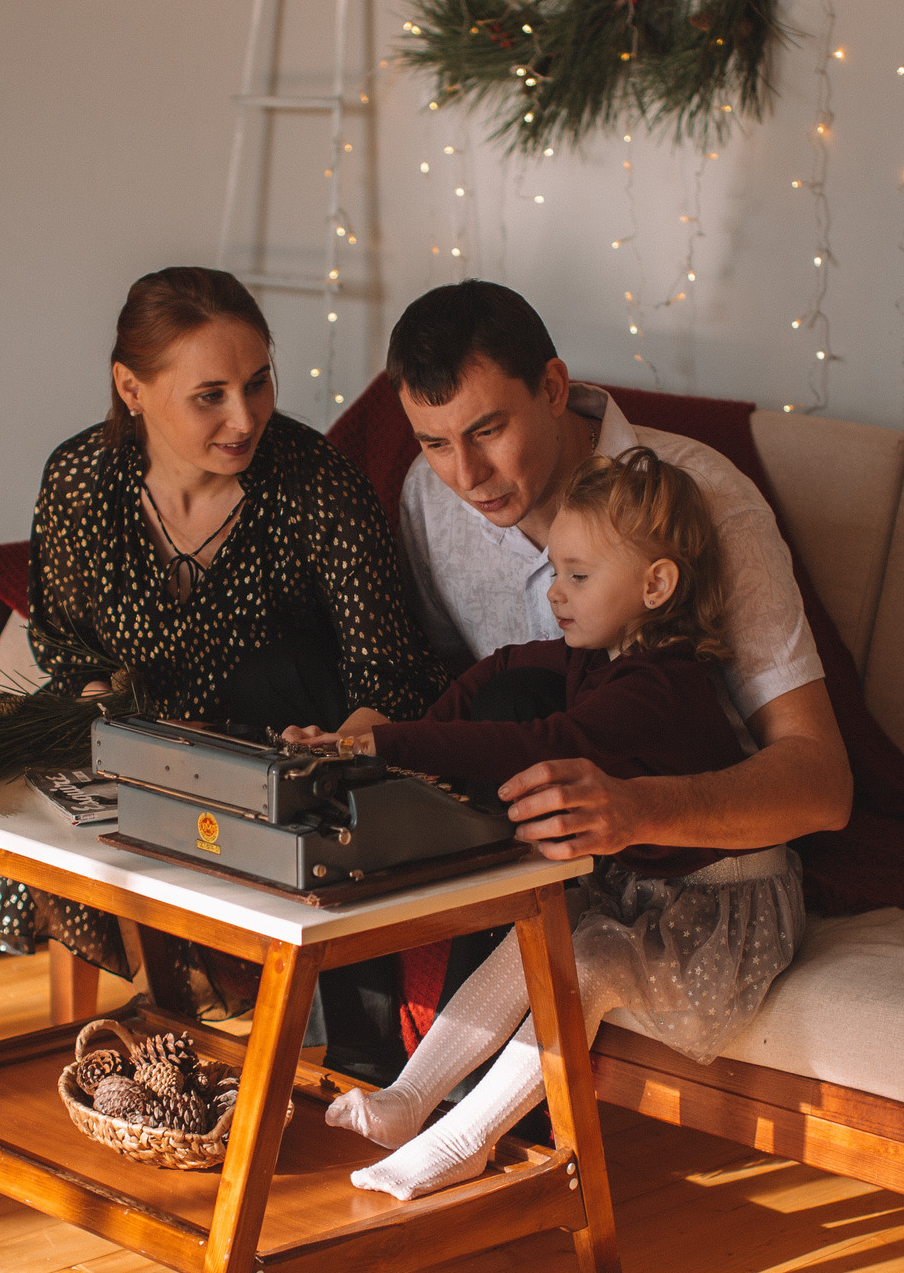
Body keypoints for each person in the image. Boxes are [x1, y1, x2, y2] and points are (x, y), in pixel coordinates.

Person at [0, 267, 442, 1214]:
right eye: (210, 395)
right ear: (131, 388)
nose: (245, 416)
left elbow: (394, 681)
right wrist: (102, 700)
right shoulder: (82, 479)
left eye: (259, 382)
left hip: (283, 794)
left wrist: (310, 759)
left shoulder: (315, 485)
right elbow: (62, 635)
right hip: (135, 770)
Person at [294, 449, 807, 1198]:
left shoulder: (658, 689)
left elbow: (535, 746)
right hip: (654, 889)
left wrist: (387, 741)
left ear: (656, 585)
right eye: (556, 572)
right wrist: (396, 737)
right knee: (535, 931)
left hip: (725, 908)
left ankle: (471, 1139)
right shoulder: (597, 656)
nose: (556, 594)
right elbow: (497, 671)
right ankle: (412, 1096)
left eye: (578, 575)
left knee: (587, 963)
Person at [376, 280, 855, 857]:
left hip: (687, 850)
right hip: (524, 830)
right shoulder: (428, 495)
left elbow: (823, 783)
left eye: (488, 432)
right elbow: (455, 682)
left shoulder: (705, 501)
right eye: (435, 443)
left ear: (552, 388)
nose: (467, 476)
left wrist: (642, 811)